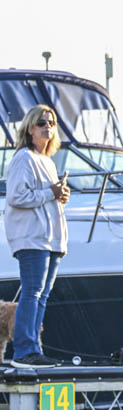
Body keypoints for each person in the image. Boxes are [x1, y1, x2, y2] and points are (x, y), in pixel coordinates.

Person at [3, 105, 69, 368]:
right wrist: (50, 193)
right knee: (32, 292)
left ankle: (33, 349)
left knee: (41, 296)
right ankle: (24, 351)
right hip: (32, 238)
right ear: (30, 128)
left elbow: (44, 196)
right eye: (41, 122)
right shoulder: (24, 158)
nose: (47, 127)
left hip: (49, 239)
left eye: (51, 123)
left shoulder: (48, 162)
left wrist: (59, 196)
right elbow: (16, 197)